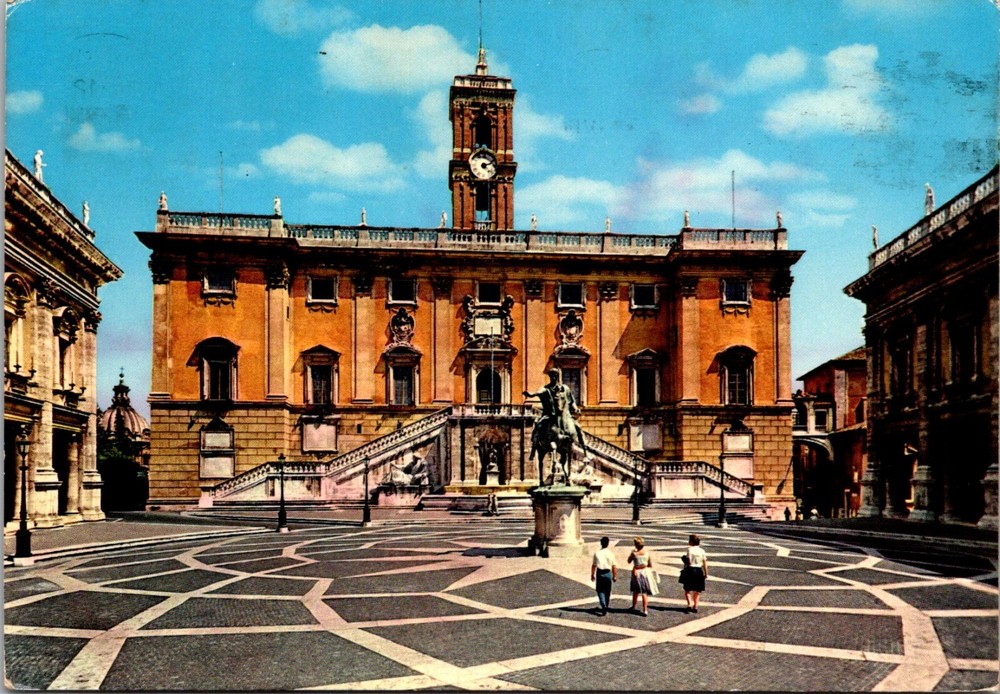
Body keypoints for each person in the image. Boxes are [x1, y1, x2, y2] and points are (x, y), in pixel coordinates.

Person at [627, 536, 658, 615]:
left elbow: (629, 561)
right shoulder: (647, 553)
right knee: (644, 592)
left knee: (635, 591)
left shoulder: (634, 553)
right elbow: (650, 565)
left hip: (636, 572)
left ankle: (634, 606)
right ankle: (645, 609)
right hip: (645, 573)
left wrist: (632, 555)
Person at [590, 536, 617, 616]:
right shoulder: (610, 554)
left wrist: (592, 574)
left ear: (601, 543)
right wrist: (615, 575)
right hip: (608, 573)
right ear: (608, 544)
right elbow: (614, 566)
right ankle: (606, 605)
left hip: (600, 573)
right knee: (607, 591)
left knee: (600, 590)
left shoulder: (597, 553)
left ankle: (603, 605)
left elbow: (594, 565)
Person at [682, 534, 707, 613]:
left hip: (690, 569)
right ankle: (696, 606)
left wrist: (685, 562)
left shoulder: (690, 550)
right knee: (697, 590)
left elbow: (688, 562)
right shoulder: (702, 551)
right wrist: (706, 573)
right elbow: (705, 563)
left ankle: (689, 604)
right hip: (699, 570)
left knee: (687, 589)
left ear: (691, 542)